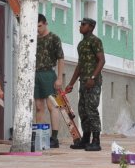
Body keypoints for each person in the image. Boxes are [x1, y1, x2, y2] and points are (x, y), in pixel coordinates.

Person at [65, 17, 105, 152]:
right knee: (83, 110)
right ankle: (85, 138)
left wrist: (93, 77)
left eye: (84, 24)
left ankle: (96, 140)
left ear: (91, 27)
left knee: (92, 109)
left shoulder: (95, 41)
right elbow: (80, 65)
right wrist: (71, 83)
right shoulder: (81, 44)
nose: (80, 26)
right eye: (80, 24)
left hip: (93, 82)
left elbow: (101, 60)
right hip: (83, 82)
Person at [35, 13, 64, 148]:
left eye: (39, 26)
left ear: (45, 23)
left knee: (52, 105)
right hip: (35, 74)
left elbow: (60, 58)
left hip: (48, 73)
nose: (37, 29)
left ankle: (54, 137)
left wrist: (59, 78)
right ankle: (40, 136)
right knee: (39, 107)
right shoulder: (33, 38)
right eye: (36, 26)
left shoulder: (54, 38)